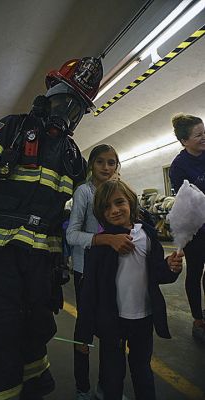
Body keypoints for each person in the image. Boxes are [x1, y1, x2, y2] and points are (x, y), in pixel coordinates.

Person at [0, 56, 104, 400]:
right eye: (65, 100)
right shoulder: (13, 130)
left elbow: (69, 214)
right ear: (49, 95)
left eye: (78, 108)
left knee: (37, 324)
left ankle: (33, 384)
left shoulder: (72, 156)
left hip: (39, 262)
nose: (68, 112)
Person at [75, 179, 184, 400]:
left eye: (119, 202)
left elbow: (155, 273)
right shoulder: (100, 246)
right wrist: (83, 335)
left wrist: (170, 268)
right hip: (112, 323)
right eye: (106, 207)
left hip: (144, 319)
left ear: (131, 203)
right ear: (100, 212)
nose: (114, 210)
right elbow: (89, 293)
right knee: (113, 376)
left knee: (142, 369)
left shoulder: (148, 236)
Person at [66, 145, 135, 400]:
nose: (106, 168)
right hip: (87, 271)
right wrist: (104, 240)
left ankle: (106, 386)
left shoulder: (118, 190)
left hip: (114, 271)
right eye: (100, 162)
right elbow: (71, 234)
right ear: (91, 165)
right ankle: (82, 387)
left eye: (112, 162)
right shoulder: (84, 192)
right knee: (83, 332)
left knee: (112, 333)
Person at [169, 113, 205, 342]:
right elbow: (186, 204)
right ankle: (197, 318)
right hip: (196, 229)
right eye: (199, 135)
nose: (204, 137)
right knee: (194, 271)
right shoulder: (178, 166)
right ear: (184, 141)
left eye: (204, 132)